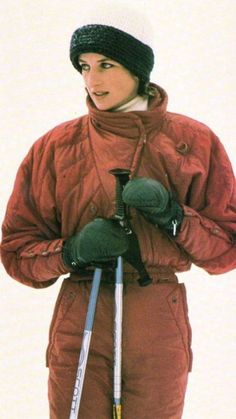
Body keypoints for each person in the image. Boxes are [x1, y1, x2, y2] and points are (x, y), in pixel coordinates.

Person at [1, 3, 236, 419]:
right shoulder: (55, 148)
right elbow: (17, 252)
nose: (92, 80)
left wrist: (173, 215)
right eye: (83, 66)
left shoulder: (194, 142)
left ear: (137, 67)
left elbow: (226, 251)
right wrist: (72, 251)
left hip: (157, 319)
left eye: (106, 64)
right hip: (81, 314)